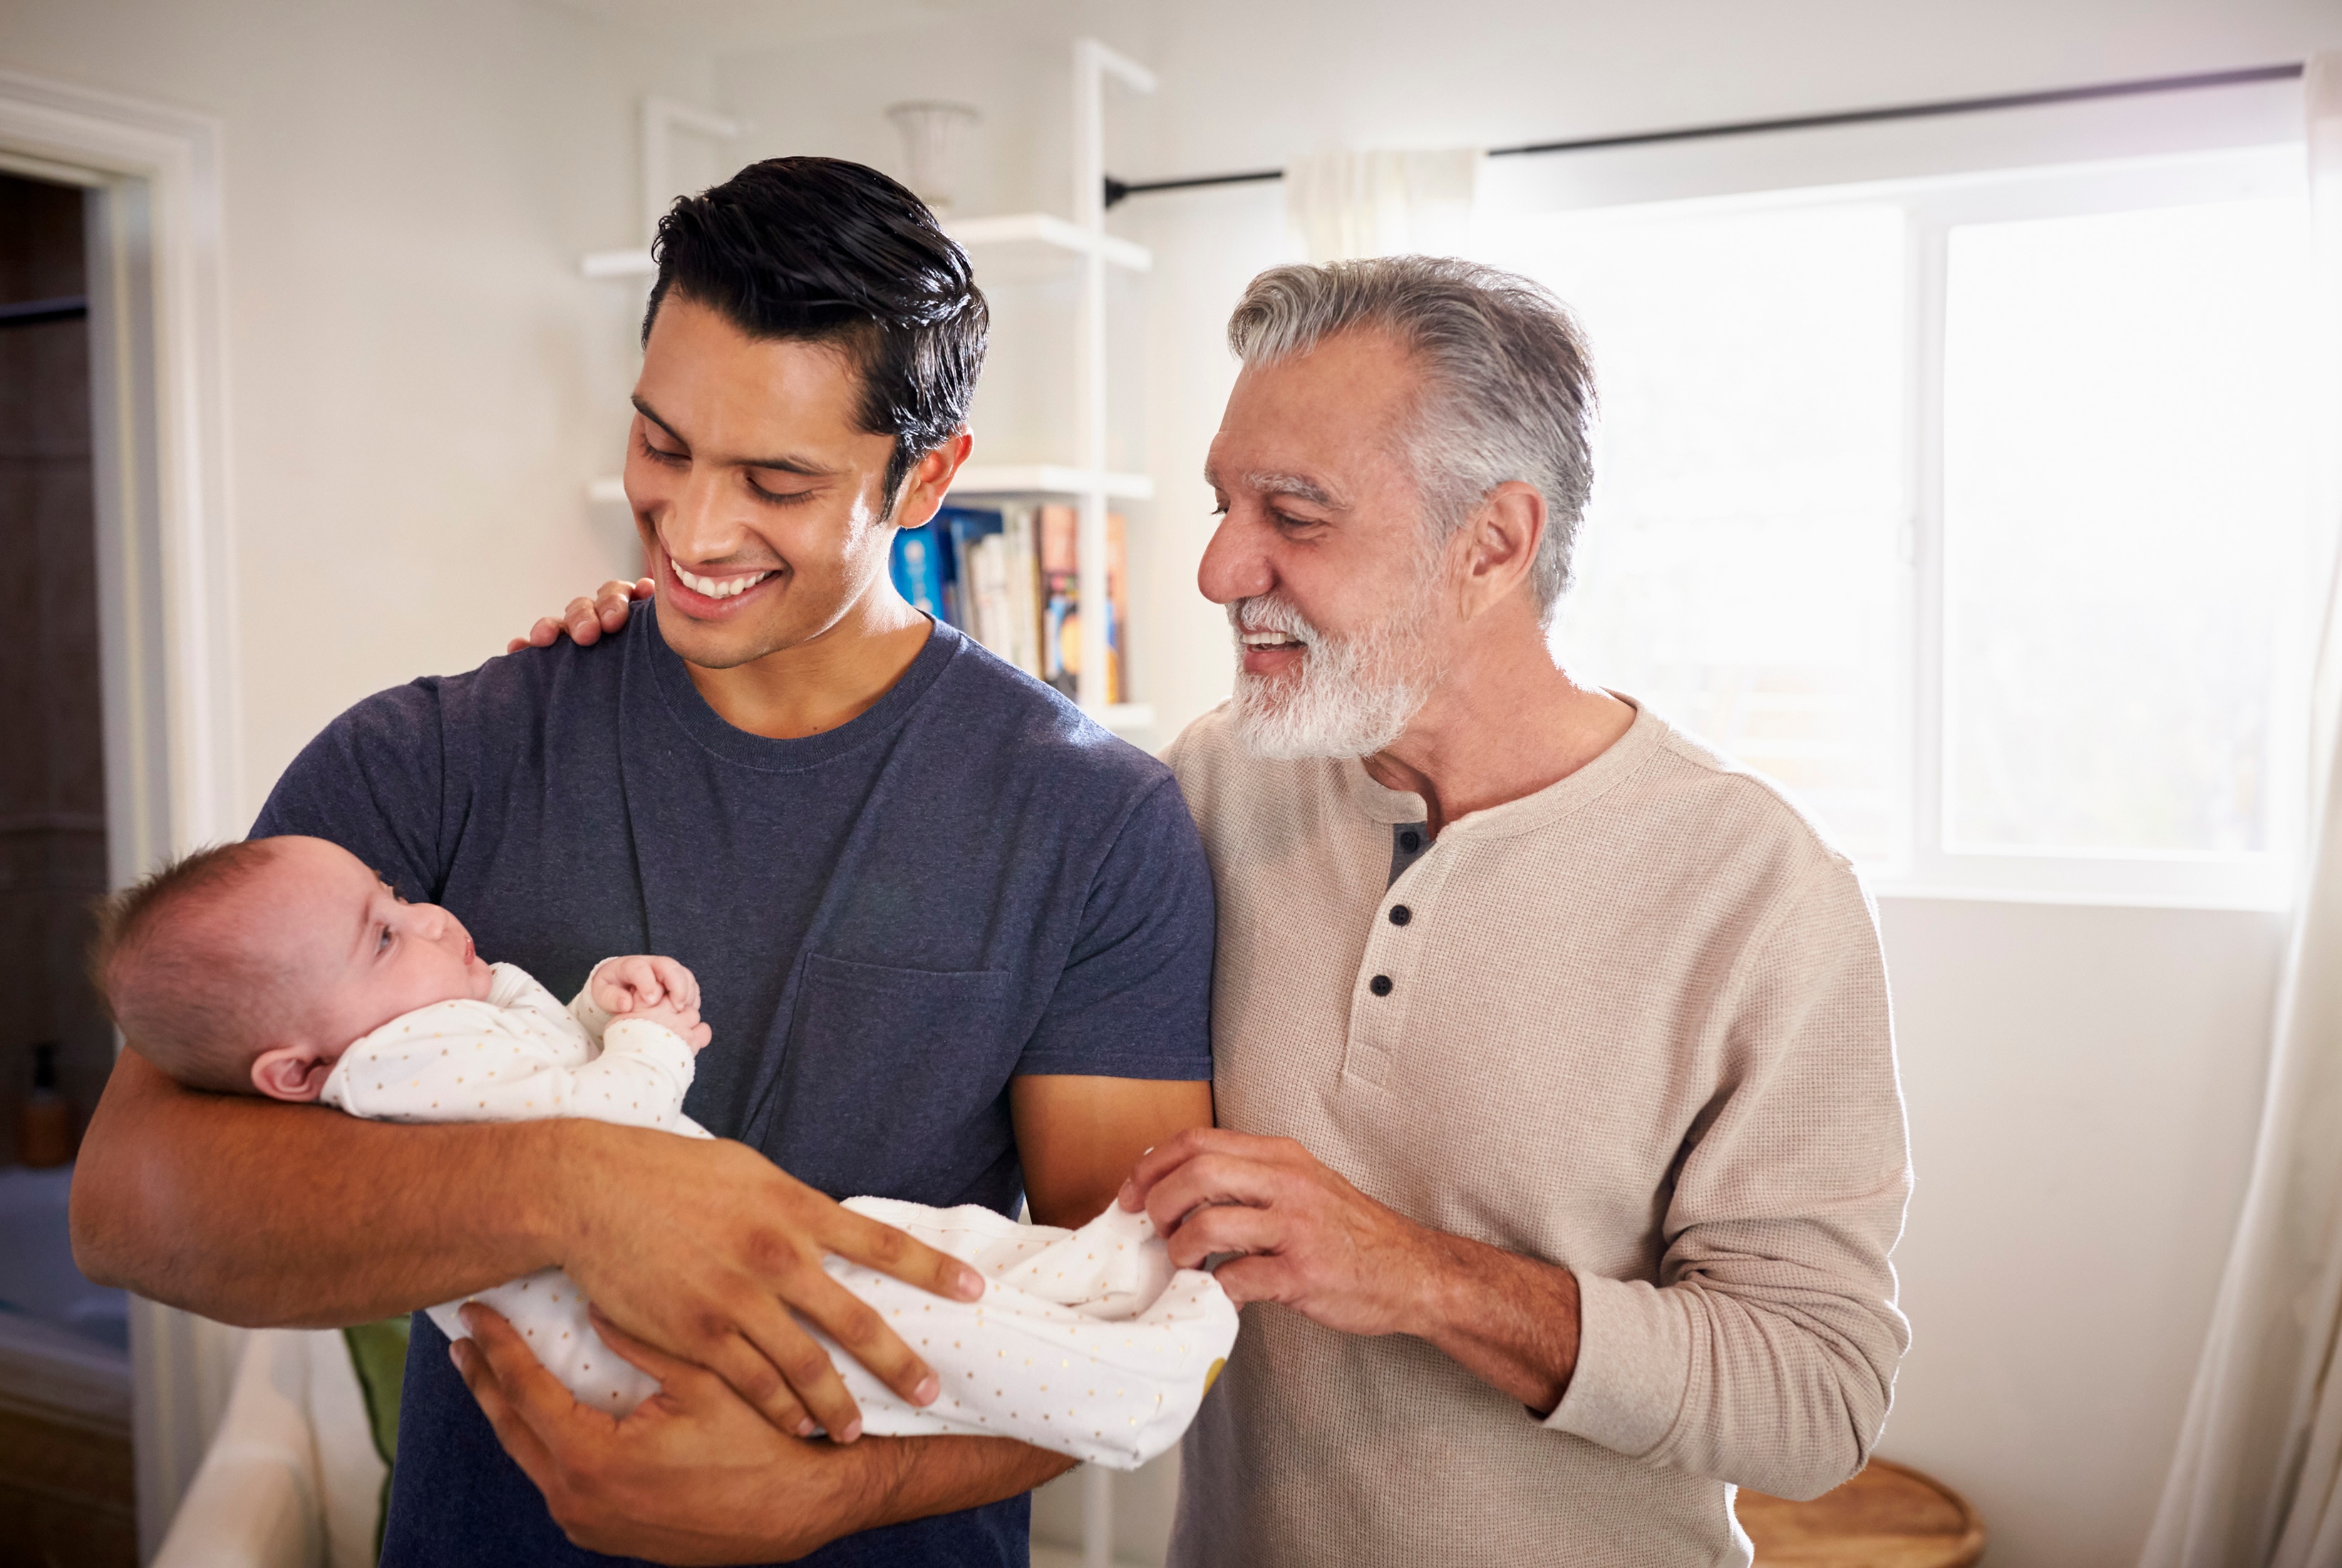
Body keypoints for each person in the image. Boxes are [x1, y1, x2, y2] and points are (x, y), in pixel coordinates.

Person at [527, 256, 1911, 1567]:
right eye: (1222, 505)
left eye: (1294, 516)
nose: (1219, 570)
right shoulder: (1204, 789)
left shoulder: (1757, 892)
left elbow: (1819, 1394)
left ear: (1492, 539)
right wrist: (695, 639)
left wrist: (1416, 1273)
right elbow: (953, 763)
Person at [68, 157, 1217, 1567]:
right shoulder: (425, 760)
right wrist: (577, 1190)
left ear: (927, 476)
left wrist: (829, 1492)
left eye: (777, 480)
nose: (693, 528)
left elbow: (1145, 1296)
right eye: (663, 444)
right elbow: (131, 1202)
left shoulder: (1094, 818)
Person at [90, 834, 1237, 1464]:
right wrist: (643, 1040)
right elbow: (605, 1136)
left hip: (692, 1290)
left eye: (397, 895)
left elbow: (539, 1076)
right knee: (927, 1334)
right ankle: (1126, 1391)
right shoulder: (397, 1061)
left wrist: (598, 1006)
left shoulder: (405, 1032)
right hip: (645, 1340)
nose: (430, 918)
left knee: (927, 1259)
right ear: (292, 1072)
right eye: (387, 931)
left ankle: (1089, 1275)